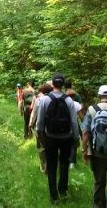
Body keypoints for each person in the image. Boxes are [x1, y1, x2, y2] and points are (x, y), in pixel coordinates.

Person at [35, 73, 79, 203]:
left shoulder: (44, 100)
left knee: (52, 166)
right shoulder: (69, 100)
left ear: (52, 84)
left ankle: (53, 196)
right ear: (63, 85)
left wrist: (40, 136)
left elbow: (40, 122)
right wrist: (76, 138)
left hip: (50, 137)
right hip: (66, 138)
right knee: (64, 164)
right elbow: (74, 122)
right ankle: (63, 191)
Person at [29, 82, 53, 172]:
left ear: (42, 91)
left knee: (41, 148)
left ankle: (44, 167)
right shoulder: (55, 100)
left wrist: (31, 124)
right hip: (52, 129)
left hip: (41, 129)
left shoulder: (39, 100)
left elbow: (34, 114)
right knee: (51, 148)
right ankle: (51, 166)